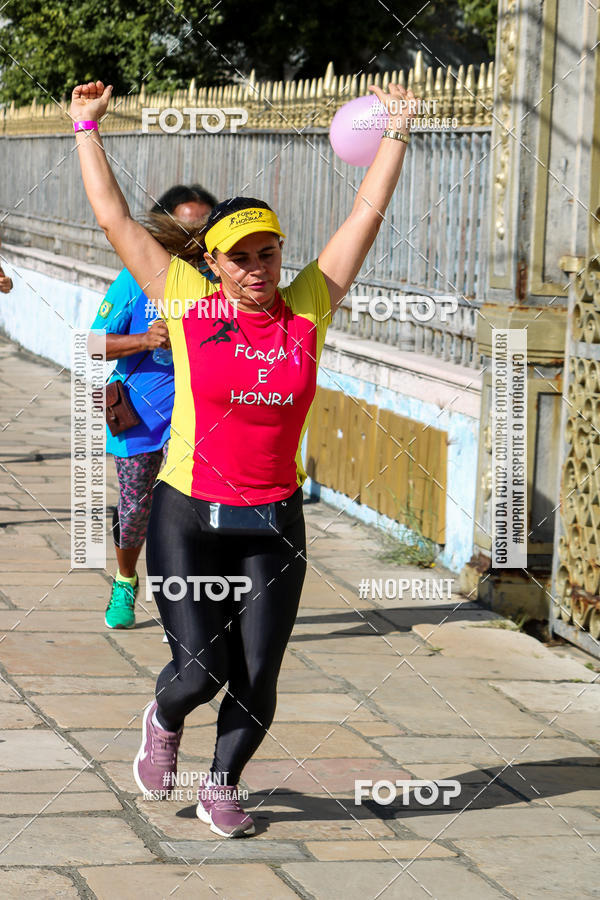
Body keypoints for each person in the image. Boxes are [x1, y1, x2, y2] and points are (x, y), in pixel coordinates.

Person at [70, 78, 413, 836]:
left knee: (259, 675)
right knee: (200, 672)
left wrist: (396, 133)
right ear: (214, 262)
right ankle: (162, 719)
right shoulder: (187, 301)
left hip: (271, 521)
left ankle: (222, 785)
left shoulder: (308, 309)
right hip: (187, 514)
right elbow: (113, 217)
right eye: (242, 256)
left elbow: (366, 214)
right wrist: (85, 126)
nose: (259, 266)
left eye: (270, 252)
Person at [89, 185, 217, 629]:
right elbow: (89, 344)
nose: (193, 239)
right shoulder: (134, 279)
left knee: (195, 513)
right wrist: (145, 339)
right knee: (134, 509)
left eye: (203, 229)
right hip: (139, 419)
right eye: (183, 228)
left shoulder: (222, 284)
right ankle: (125, 580)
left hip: (199, 419)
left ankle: (191, 602)